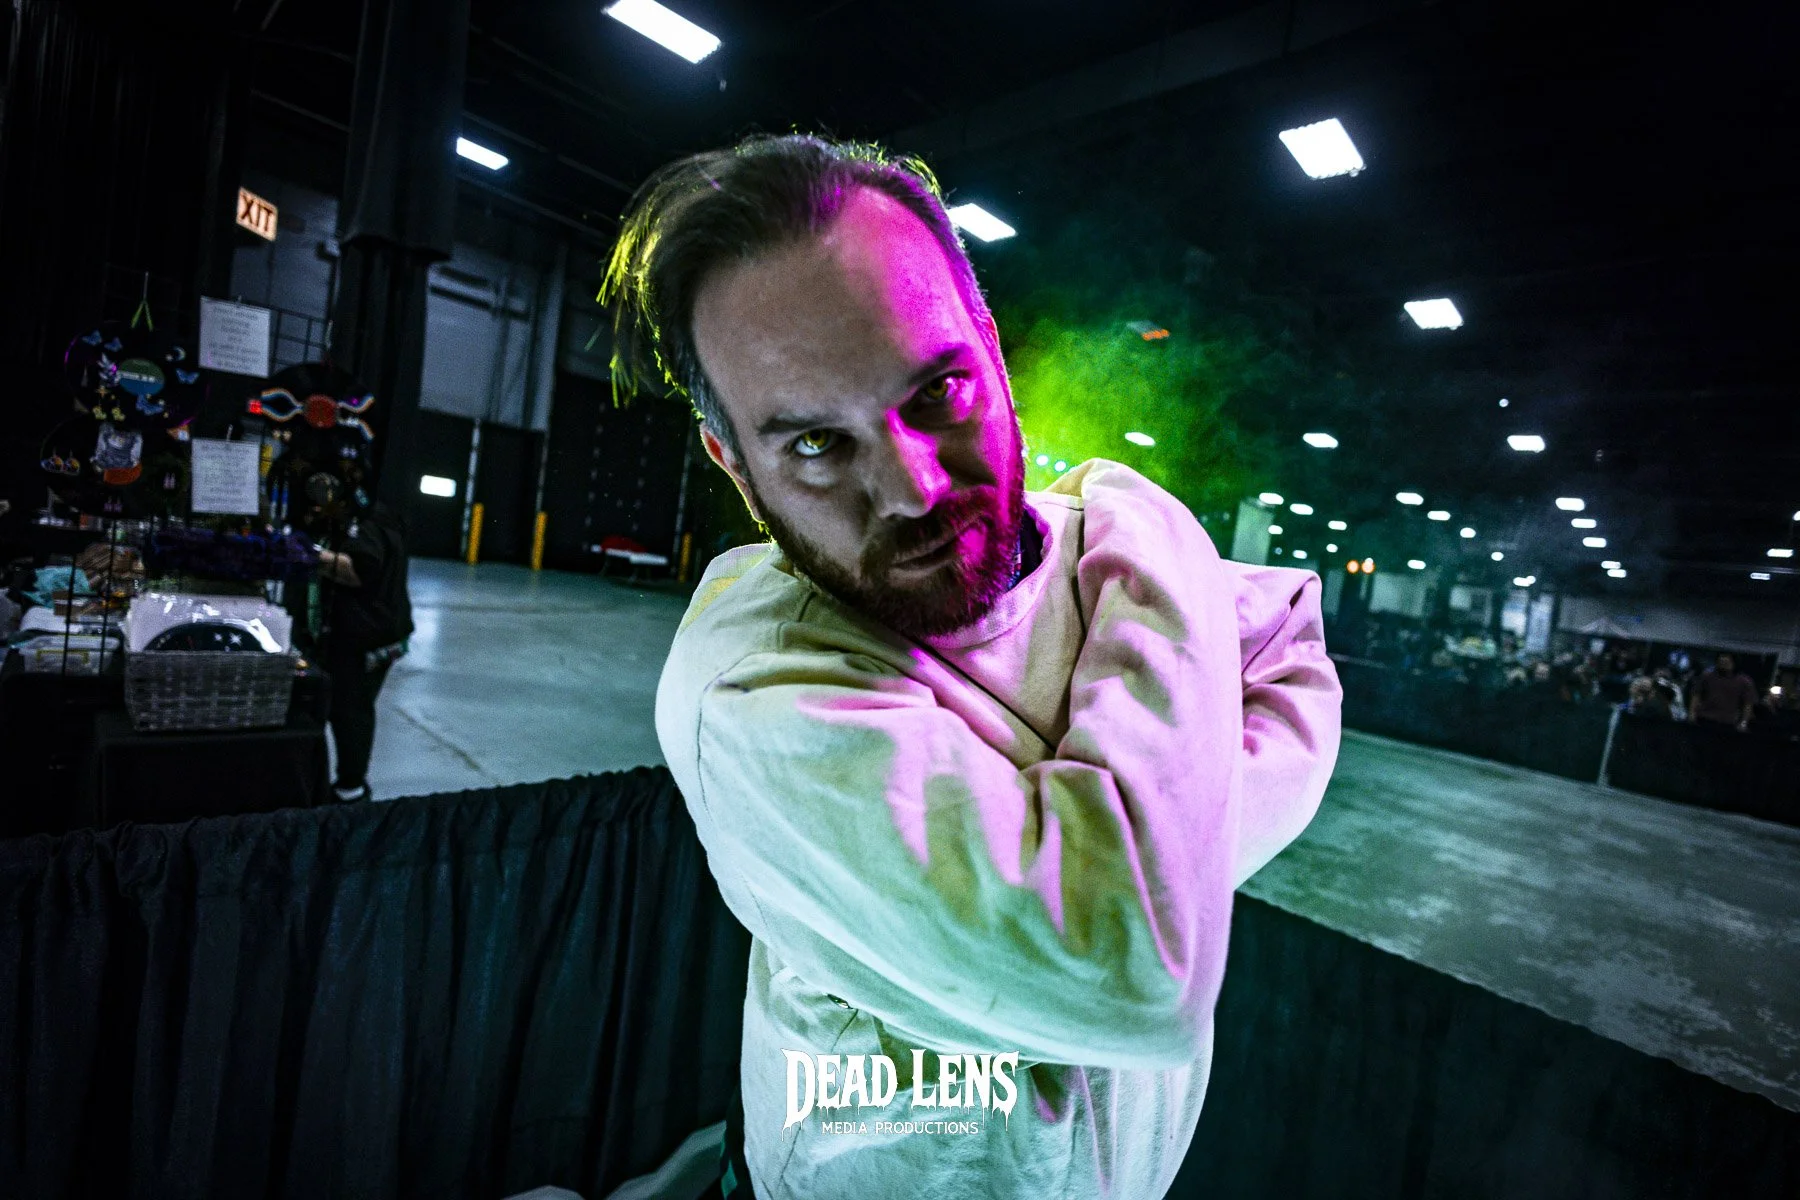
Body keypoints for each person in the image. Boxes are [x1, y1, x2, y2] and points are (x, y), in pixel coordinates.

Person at [606, 134, 1343, 1199]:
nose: (909, 488)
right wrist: (1153, 525)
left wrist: (1138, 851)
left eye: (939, 393)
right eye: (816, 445)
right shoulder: (755, 692)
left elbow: (1287, 642)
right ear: (735, 465)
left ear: (993, 353)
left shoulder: (1088, 560)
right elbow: (1133, 965)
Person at [312, 500, 412, 802]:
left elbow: (359, 570)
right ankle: (348, 786)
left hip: (367, 639)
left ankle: (350, 790)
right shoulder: (377, 516)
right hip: (380, 634)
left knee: (349, 710)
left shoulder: (366, 527)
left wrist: (308, 555)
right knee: (346, 708)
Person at [1688, 651, 1756, 731]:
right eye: (1721, 662)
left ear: (1733, 663)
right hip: (1706, 717)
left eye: (1726, 663)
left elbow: (1748, 703)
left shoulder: (1744, 681)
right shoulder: (1707, 676)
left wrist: (1744, 722)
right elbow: (1696, 695)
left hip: (1728, 721)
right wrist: (1692, 713)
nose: (1723, 665)